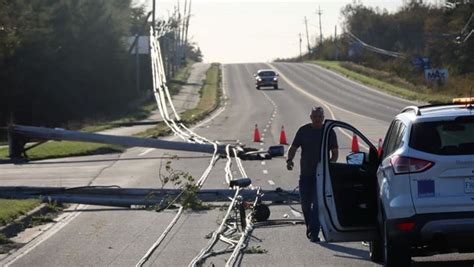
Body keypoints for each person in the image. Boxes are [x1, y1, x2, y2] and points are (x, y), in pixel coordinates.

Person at [286, 106, 338, 243]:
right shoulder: (303, 131)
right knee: (305, 204)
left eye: (320, 117)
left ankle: (314, 233)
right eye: (315, 117)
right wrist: (289, 160)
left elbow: (335, 153)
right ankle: (310, 227)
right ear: (311, 117)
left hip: (321, 176)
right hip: (305, 175)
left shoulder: (329, 132)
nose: (317, 119)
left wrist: (329, 166)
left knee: (317, 204)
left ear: (323, 118)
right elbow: (293, 148)